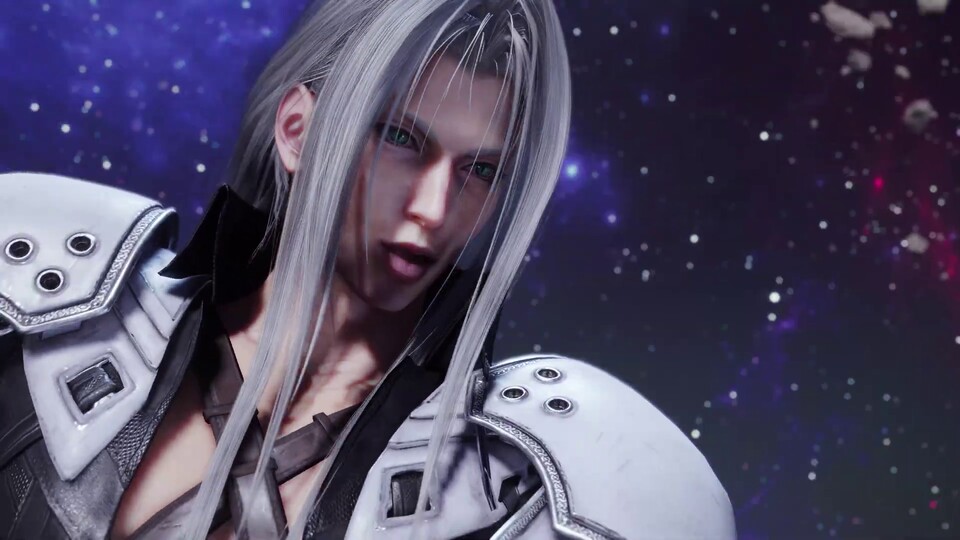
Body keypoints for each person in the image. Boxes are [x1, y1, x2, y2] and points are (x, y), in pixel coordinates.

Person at [0, 0, 736, 538]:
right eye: (401, 139)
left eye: (480, 170)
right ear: (297, 130)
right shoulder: (50, 313)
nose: (433, 209)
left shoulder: (518, 487)